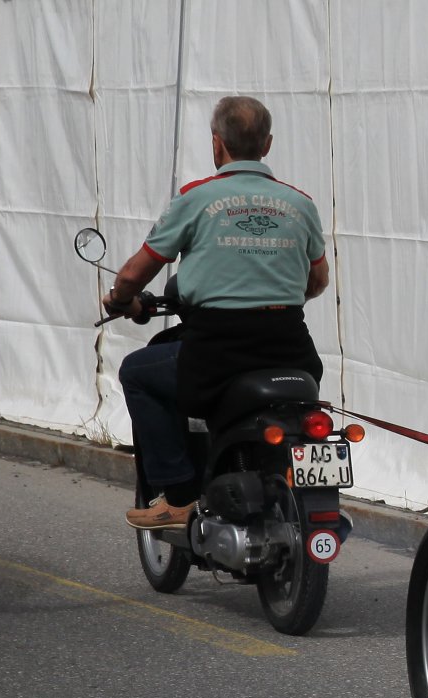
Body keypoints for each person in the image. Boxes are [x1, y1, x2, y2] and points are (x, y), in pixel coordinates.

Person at [107, 95, 330, 530]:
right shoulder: (300, 203)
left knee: (137, 372)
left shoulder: (196, 198)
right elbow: (318, 281)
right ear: (267, 145)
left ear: (216, 144)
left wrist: (120, 299)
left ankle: (178, 497)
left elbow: (135, 273)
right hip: (292, 350)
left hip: (216, 353)